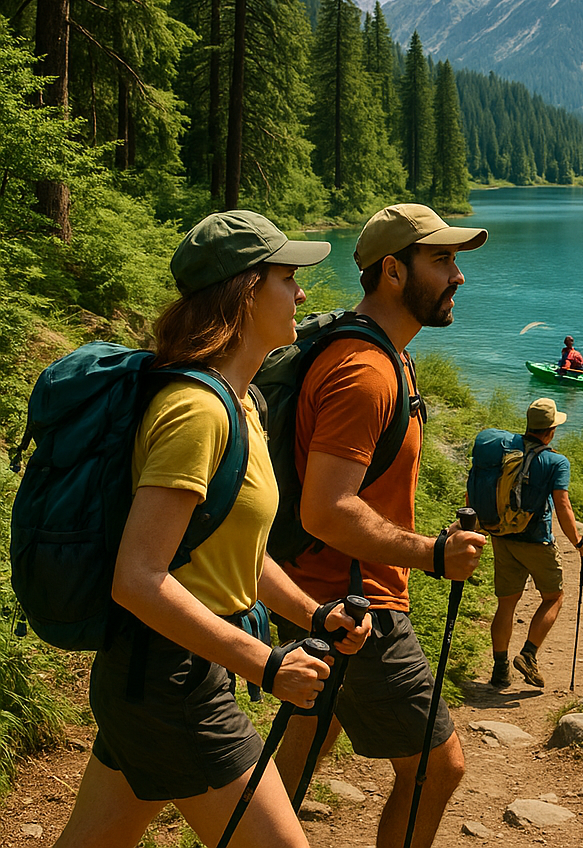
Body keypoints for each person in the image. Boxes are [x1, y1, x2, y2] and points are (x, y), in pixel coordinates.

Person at [55, 210, 371, 848]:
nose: (303, 294)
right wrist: (265, 662)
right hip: (172, 681)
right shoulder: (196, 413)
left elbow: (232, 549)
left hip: (159, 675)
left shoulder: (240, 401)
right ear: (246, 290)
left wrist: (314, 616)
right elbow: (138, 579)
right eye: (288, 278)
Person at [272, 203, 489, 848]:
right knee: (436, 768)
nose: (458, 276)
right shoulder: (367, 371)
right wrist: (432, 553)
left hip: (312, 593)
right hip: (353, 606)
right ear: (393, 271)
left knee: (301, 747)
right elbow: (326, 509)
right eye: (443, 260)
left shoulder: (371, 348)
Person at [486, 397, 583, 691]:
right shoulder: (556, 461)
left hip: (502, 535)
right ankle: (529, 655)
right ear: (550, 430)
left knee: (506, 605)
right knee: (553, 597)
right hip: (536, 541)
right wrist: (579, 541)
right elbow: (563, 506)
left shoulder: (506, 449)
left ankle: (499, 671)